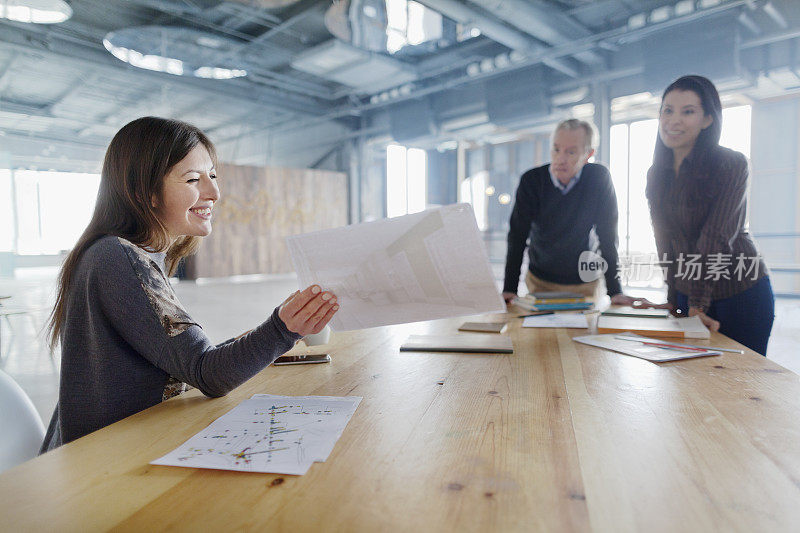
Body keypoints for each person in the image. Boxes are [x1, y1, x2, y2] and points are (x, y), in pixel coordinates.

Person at [40, 117, 339, 452]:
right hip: (107, 465)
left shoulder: (119, 254)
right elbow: (206, 374)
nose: (214, 192)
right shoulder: (117, 257)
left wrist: (255, 340)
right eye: (194, 179)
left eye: (212, 176)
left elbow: (180, 362)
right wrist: (282, 329)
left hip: (124, 446)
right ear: (145, 193)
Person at [646, 75, 774, 355]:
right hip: (686, 291)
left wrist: (697, 304)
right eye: (668, 110)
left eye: (687, 111)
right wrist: (672, 298)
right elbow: (664, 240)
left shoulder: (731, 164)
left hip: (739, 291)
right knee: (687, 382)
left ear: (707, 119)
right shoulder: (656, 175)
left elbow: (716, 237)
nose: (674, 120)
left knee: (742, 384)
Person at [503, 118, 654, 307]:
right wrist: (509, 289)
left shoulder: (599, 179)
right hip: (540, 281)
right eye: (556, 149)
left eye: (571, 151)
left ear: (588, 154)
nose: (560, 158)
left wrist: (615, 291)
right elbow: (517, 236)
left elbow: (607, 236)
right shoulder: (532, 181)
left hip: (586, 283)